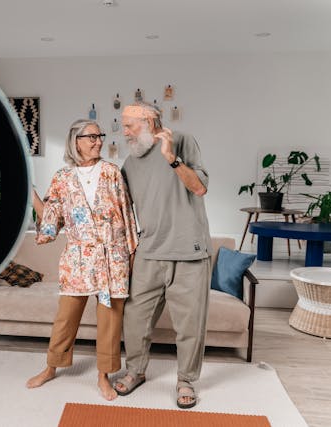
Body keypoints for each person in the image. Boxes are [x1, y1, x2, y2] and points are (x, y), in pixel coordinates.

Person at [26, 119, 138, 401]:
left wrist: (131, 254)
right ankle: (51, 367)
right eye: (91, 136)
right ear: (75, 140)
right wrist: (29, 194)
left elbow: (127, 215)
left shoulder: (112, 172)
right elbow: (51, 220)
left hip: (112, 257)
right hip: (77, 257)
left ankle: (103, 376)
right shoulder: (63, 178)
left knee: (109, 321)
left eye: (100, 136)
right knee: (65, 318)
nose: (98, 141)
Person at [113, 102, 212, 409]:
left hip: (189, 251)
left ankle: (186, 380)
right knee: (135, 318)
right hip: (149, 251)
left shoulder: (182, 140)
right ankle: (136, 371)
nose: (125, 131)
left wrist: (172, 159)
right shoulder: (129, 163)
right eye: (123, 125)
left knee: (189, 325)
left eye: (130, 125)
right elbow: (121, 211)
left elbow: (200, 188)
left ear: (151, 122)